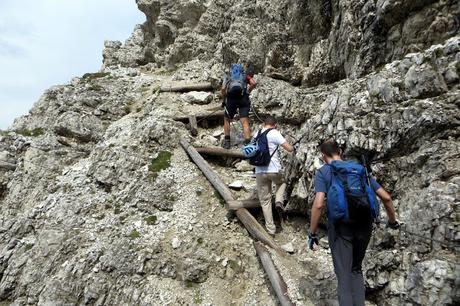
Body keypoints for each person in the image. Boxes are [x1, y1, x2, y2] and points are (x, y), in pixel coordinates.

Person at [308, 140, 400, 306]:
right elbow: (386, 198)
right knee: (356, 269)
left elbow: (319, 204)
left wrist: (312, 233)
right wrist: (392, 221)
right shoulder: (359, 170)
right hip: (365, 226)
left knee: (344, 276)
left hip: (341, 228)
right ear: (340, 152)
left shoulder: (323, 172)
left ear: (323, 156)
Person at [254, 116, 295, 236]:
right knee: (282, 183)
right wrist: (294, 147)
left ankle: (271, 230)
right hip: (273, 169)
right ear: (275, 125)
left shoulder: (257, 133)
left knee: (265, 201)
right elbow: (289, 148)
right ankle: (278, 201)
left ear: (264, 124)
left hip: (259, 171)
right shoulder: (275, 133)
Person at [221, 64, 257, 149]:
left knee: (227, 119)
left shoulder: (228, 76)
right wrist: (247, 92)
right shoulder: (245, 76)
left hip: (231, 99)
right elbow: (254, 83)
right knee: (244, 122)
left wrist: (223, 101)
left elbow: (223, 89)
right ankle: (248, 143)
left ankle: (227, 142)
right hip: (243, 99)